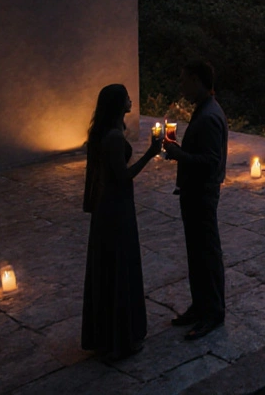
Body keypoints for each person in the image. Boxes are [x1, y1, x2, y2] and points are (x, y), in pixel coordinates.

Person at [81, 83, 162, 360]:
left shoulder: (103, 133)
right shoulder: (114, 138)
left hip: (110, 206)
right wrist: (150, 154)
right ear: (118, 104)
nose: (131, 100)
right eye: (127, 97)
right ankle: (120, 339)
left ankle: (107, 336)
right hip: (116, 209)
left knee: (111, 267)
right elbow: (123, 177)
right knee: (120, 268)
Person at [162, 59, 229, 340]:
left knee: (207, 255)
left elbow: (211, 163)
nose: (181, 86)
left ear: (198, 81)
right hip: (194, 194)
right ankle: (200, 306)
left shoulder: (210, 116)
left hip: (202, 195)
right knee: (197, 254)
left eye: (185, 80)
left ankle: (212, 313)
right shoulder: (204, 110)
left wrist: (180, 156)